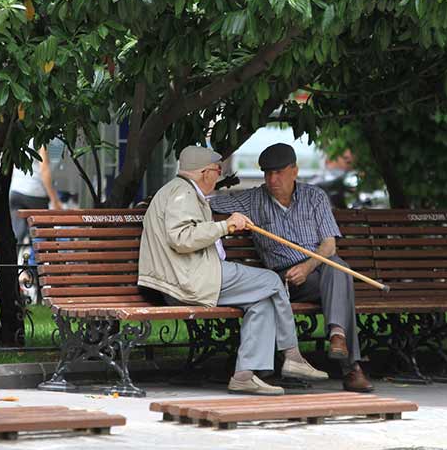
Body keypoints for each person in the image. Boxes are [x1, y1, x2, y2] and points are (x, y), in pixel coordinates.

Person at [138, 145, 328, 395]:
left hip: (192, 276)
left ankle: (244, 375)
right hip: (188, 281)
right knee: (271, 281)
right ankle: (292, 355)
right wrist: (225, 227)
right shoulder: (181, 194)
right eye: (217, 171)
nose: (218, 177)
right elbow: (181, 238)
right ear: (205, 172)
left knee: (261, 303)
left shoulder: (183, 193)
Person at [210, 143, 374, 392]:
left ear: (294, 171)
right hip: (282, 281)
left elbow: (329, 245)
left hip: (317, 273)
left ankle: (337, 336)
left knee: (337, 268)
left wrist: (307, 268)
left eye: (279, 173)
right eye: (268, 173)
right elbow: (211, 203)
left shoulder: (314, 196)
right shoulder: (254, 199)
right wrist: (167, 201)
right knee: (341, 278)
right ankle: (351, 368)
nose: (272, 180)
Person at [9, 143, 63, 267]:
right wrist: (54, 199)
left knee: (16, 235)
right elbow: (44, 170)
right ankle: (33, 271)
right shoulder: (39, 140)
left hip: (16, 190)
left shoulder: (19, 137)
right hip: (35, 192)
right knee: (40, 234)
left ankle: (11, 272)